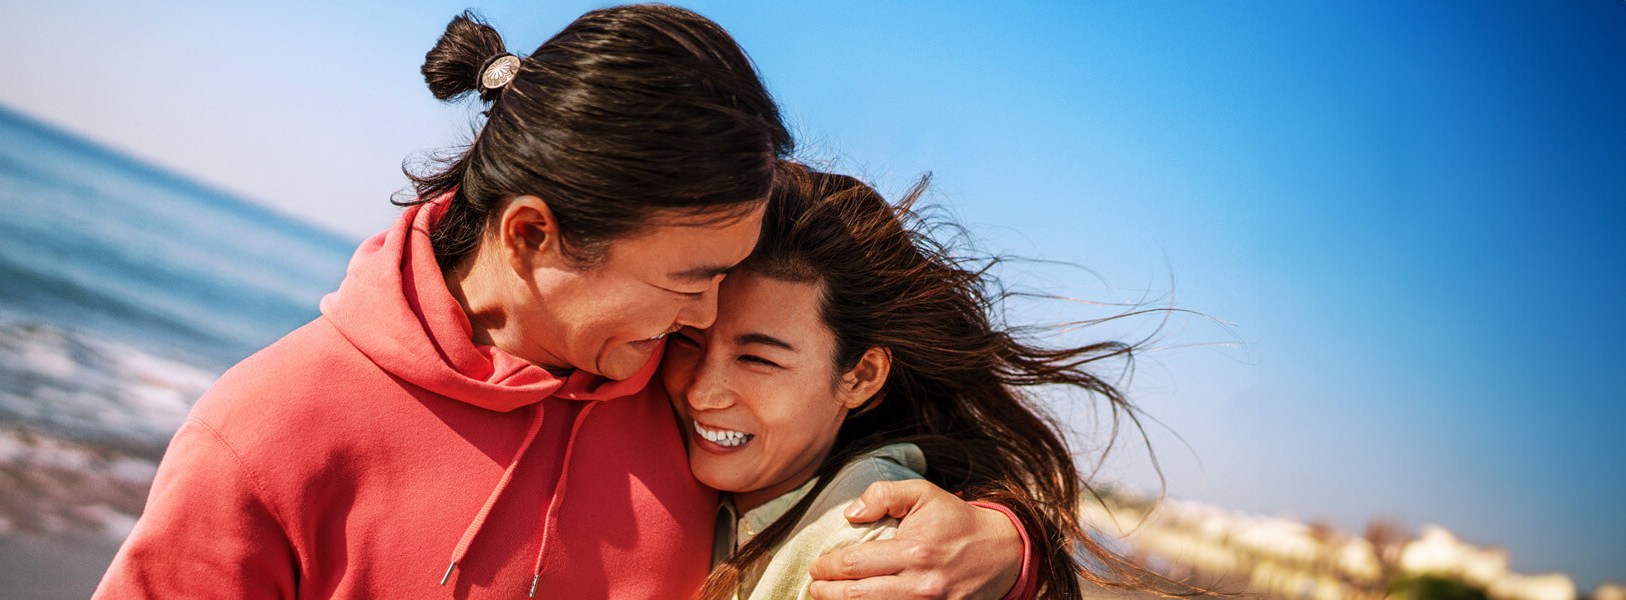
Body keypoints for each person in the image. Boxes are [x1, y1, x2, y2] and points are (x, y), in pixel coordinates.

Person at [94, 6, 1026, 599]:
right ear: (535, 236)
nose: (707, 319)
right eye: (688, 278)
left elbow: (876, 454)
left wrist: (1001, 545)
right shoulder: (268, 433)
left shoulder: (685, 391)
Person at [666, 162, 1188, 599]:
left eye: (758, 360)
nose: (701, 391)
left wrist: (1022, 550)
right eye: (687, 338)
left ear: (861, 376)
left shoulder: (874, 560)